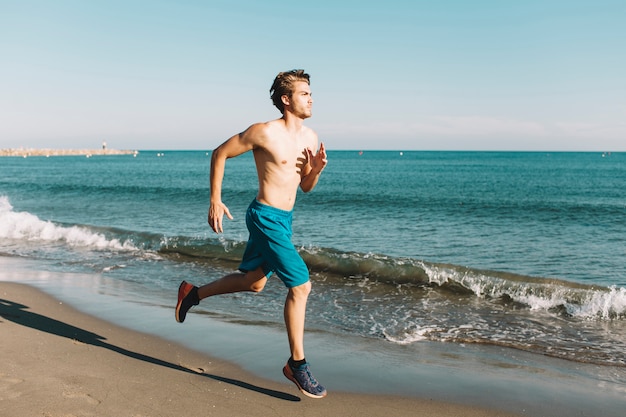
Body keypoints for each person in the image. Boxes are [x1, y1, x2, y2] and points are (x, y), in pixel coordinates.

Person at [175, 69, 328, 399]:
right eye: (304, 93)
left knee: (254, 283)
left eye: (311, 93)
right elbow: (220, 153)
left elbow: (305, 187)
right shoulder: (264, 132)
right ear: (286, 100)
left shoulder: (311, 138)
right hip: (263, 217)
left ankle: (192, 294)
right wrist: (215, 199)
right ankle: (297, 365)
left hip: (284, 219)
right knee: (301, 286)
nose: (311, 98)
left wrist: (314, 172)